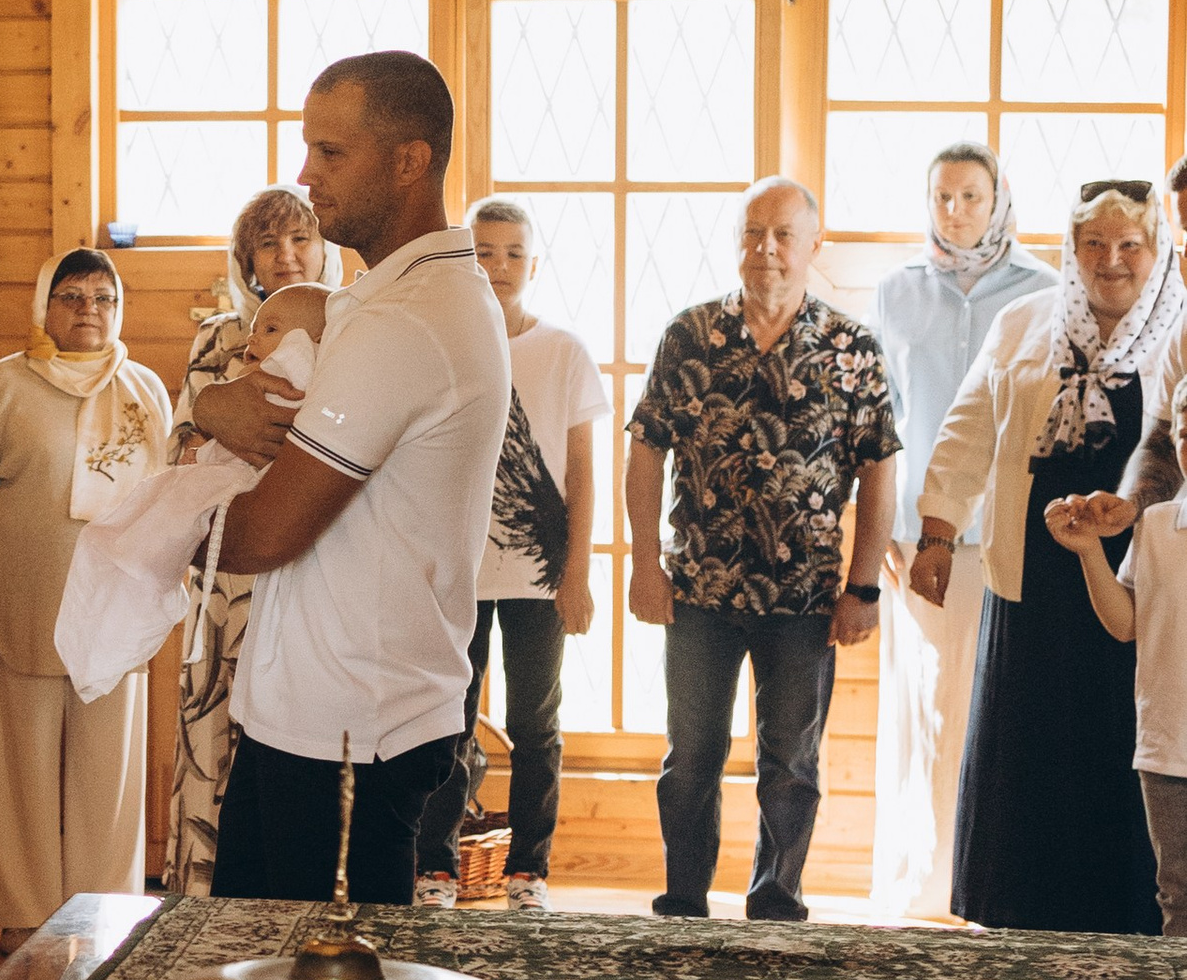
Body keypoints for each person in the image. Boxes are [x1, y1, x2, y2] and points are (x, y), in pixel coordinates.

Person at [208, 54, 507, 906]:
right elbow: (251, 401)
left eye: (330, 153)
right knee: (259, 979)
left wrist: (148, 524)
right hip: (313, 707)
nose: (305, 175)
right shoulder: (389, 297)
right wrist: (214, 405)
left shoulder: (412, 320)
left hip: (351, 726)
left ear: (410, 160)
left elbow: (268, 532)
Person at [627, 179, 898, 922]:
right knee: (691, 759)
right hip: (700, 593)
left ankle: (776, 902)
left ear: (814, 243)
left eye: (782, 234)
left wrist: (864, 586)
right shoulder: (689, 335)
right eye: (752, 233)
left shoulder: (853, 348)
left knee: (791, 764)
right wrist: (642, 562)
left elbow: (879, 469)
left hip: (805, 601)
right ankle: (684, 901)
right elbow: (646, 449)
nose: (766, 250)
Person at [914, 181, 1181, 935]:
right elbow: (967, 429)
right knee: (1029, 753)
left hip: (1142, 578)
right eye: (1094, 243)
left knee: (1125, 748)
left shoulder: (1180, 329)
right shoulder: (1024, 321)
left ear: (1155, 251)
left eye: (1130, 244)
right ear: (1072, 250)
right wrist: (938, 534)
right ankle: (1018, 911)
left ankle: (1131, 917)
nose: (1111, 260)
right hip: (1031, 574)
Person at [0, 248, 172, 940]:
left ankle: (105, 917)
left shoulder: (145, 390)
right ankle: (26, 920)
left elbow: (165, 498)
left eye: (103, 298)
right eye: (71, 296)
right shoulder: (5, 385)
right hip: (29, 605)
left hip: (115, 616)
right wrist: (25, 549)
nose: (88, 311)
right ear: (44, 306)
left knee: (108, 778)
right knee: (23, 774)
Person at [868, 144, 1053, 915]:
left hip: (1007, 529)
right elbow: (884, 421)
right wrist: (879, 524)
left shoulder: (1043, 290)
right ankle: (921, 883)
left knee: (994, 703)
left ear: (999, 197)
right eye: (943, 197)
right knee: (926, 706)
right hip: (920, 529)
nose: (956, 211)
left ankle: (988, 873)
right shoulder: (896, 291)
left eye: (971, 196)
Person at [414, 196, 607, 911]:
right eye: (485, 251)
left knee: (535, 722)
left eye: (514, 253)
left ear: (533, 262)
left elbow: (585, 470)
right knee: (446, 715)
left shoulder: (564, 350)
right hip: (456, 569)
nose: (499, 266)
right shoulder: (444, 343)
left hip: (540, 575)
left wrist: (579, 571)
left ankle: (530, 869)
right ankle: (433, 866)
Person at [55, 281, 329, 709]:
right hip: (227, 517)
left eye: (270, 329)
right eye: (255, 329)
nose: (253, 341)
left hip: (263, 526)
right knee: (121, 535)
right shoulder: (248, 369)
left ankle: (119, 621)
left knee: (128, 541)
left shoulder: (305, 368)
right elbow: (191, 432)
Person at [163, 185, 329, 891]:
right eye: (270, 244)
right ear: (248, 262)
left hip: (314, 568)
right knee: (216, 745)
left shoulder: (350, 334)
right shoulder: (216, 339)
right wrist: (212, 413)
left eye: (301, 239)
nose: (287, 256)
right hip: (226, 576)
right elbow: (178, 453)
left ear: (325, 249)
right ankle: (205, 916)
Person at [1041, 488, 1187, 937]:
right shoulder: (1157, 523)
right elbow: (1125, 623)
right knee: (1178, 897)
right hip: (1168, 743)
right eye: (1184, 434)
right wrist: (1089, 552)